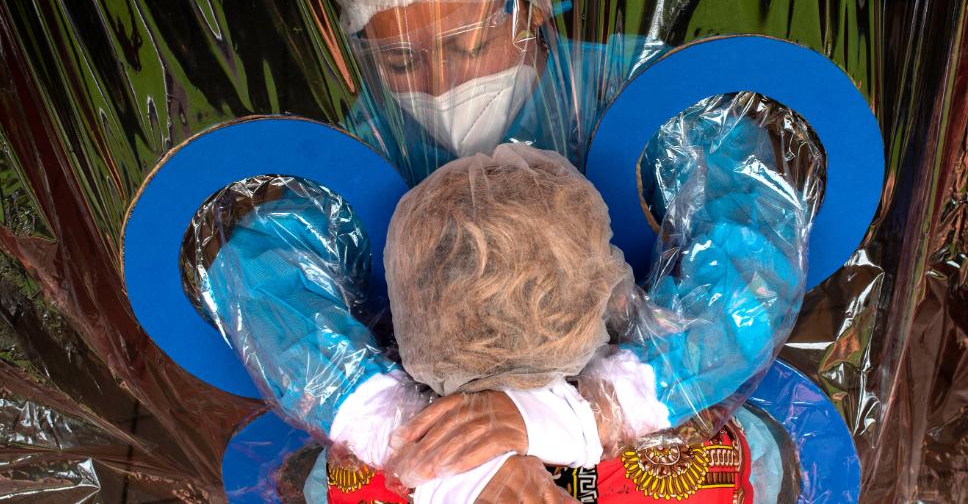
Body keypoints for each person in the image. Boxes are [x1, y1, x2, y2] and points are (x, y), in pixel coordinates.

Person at [188, 93, 823, 503]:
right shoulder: (722, 459)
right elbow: (750, 277)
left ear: (406, 309)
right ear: (609, 289)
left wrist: (407, 436)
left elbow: (254, 266)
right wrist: (595, 410)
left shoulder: (347, 479)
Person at [328, 0, 661, 184]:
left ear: (531, 9)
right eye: (401, 61)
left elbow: (709, 184)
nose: (442, 87)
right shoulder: (367, 141)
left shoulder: (628, 83)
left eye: (471, 47)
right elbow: (302, 227)